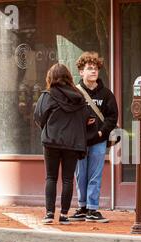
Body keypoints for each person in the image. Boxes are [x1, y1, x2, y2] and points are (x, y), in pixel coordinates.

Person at [34, 63, 95, 225]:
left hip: (51, 141)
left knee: (51, 177)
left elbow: (39, 117)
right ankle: (64, 215)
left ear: (50, 77)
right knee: (68, 179)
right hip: (73, 144)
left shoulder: (47, 95)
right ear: (69, 77)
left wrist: (49, 127)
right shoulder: (79, 97)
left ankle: (49, 214)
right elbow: (86, 119)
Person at [69, 51, 119, 223]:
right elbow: (69, 116)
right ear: (81, 72)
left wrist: (101, 133)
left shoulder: (106, 94)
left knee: (95, 175)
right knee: (80, 174)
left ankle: (92, 208)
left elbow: (113, 117)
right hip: (80, 142)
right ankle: (82, 207)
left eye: (96, 68)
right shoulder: (74, 93)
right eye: (89, 68)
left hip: (98, 140)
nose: (94, 71)